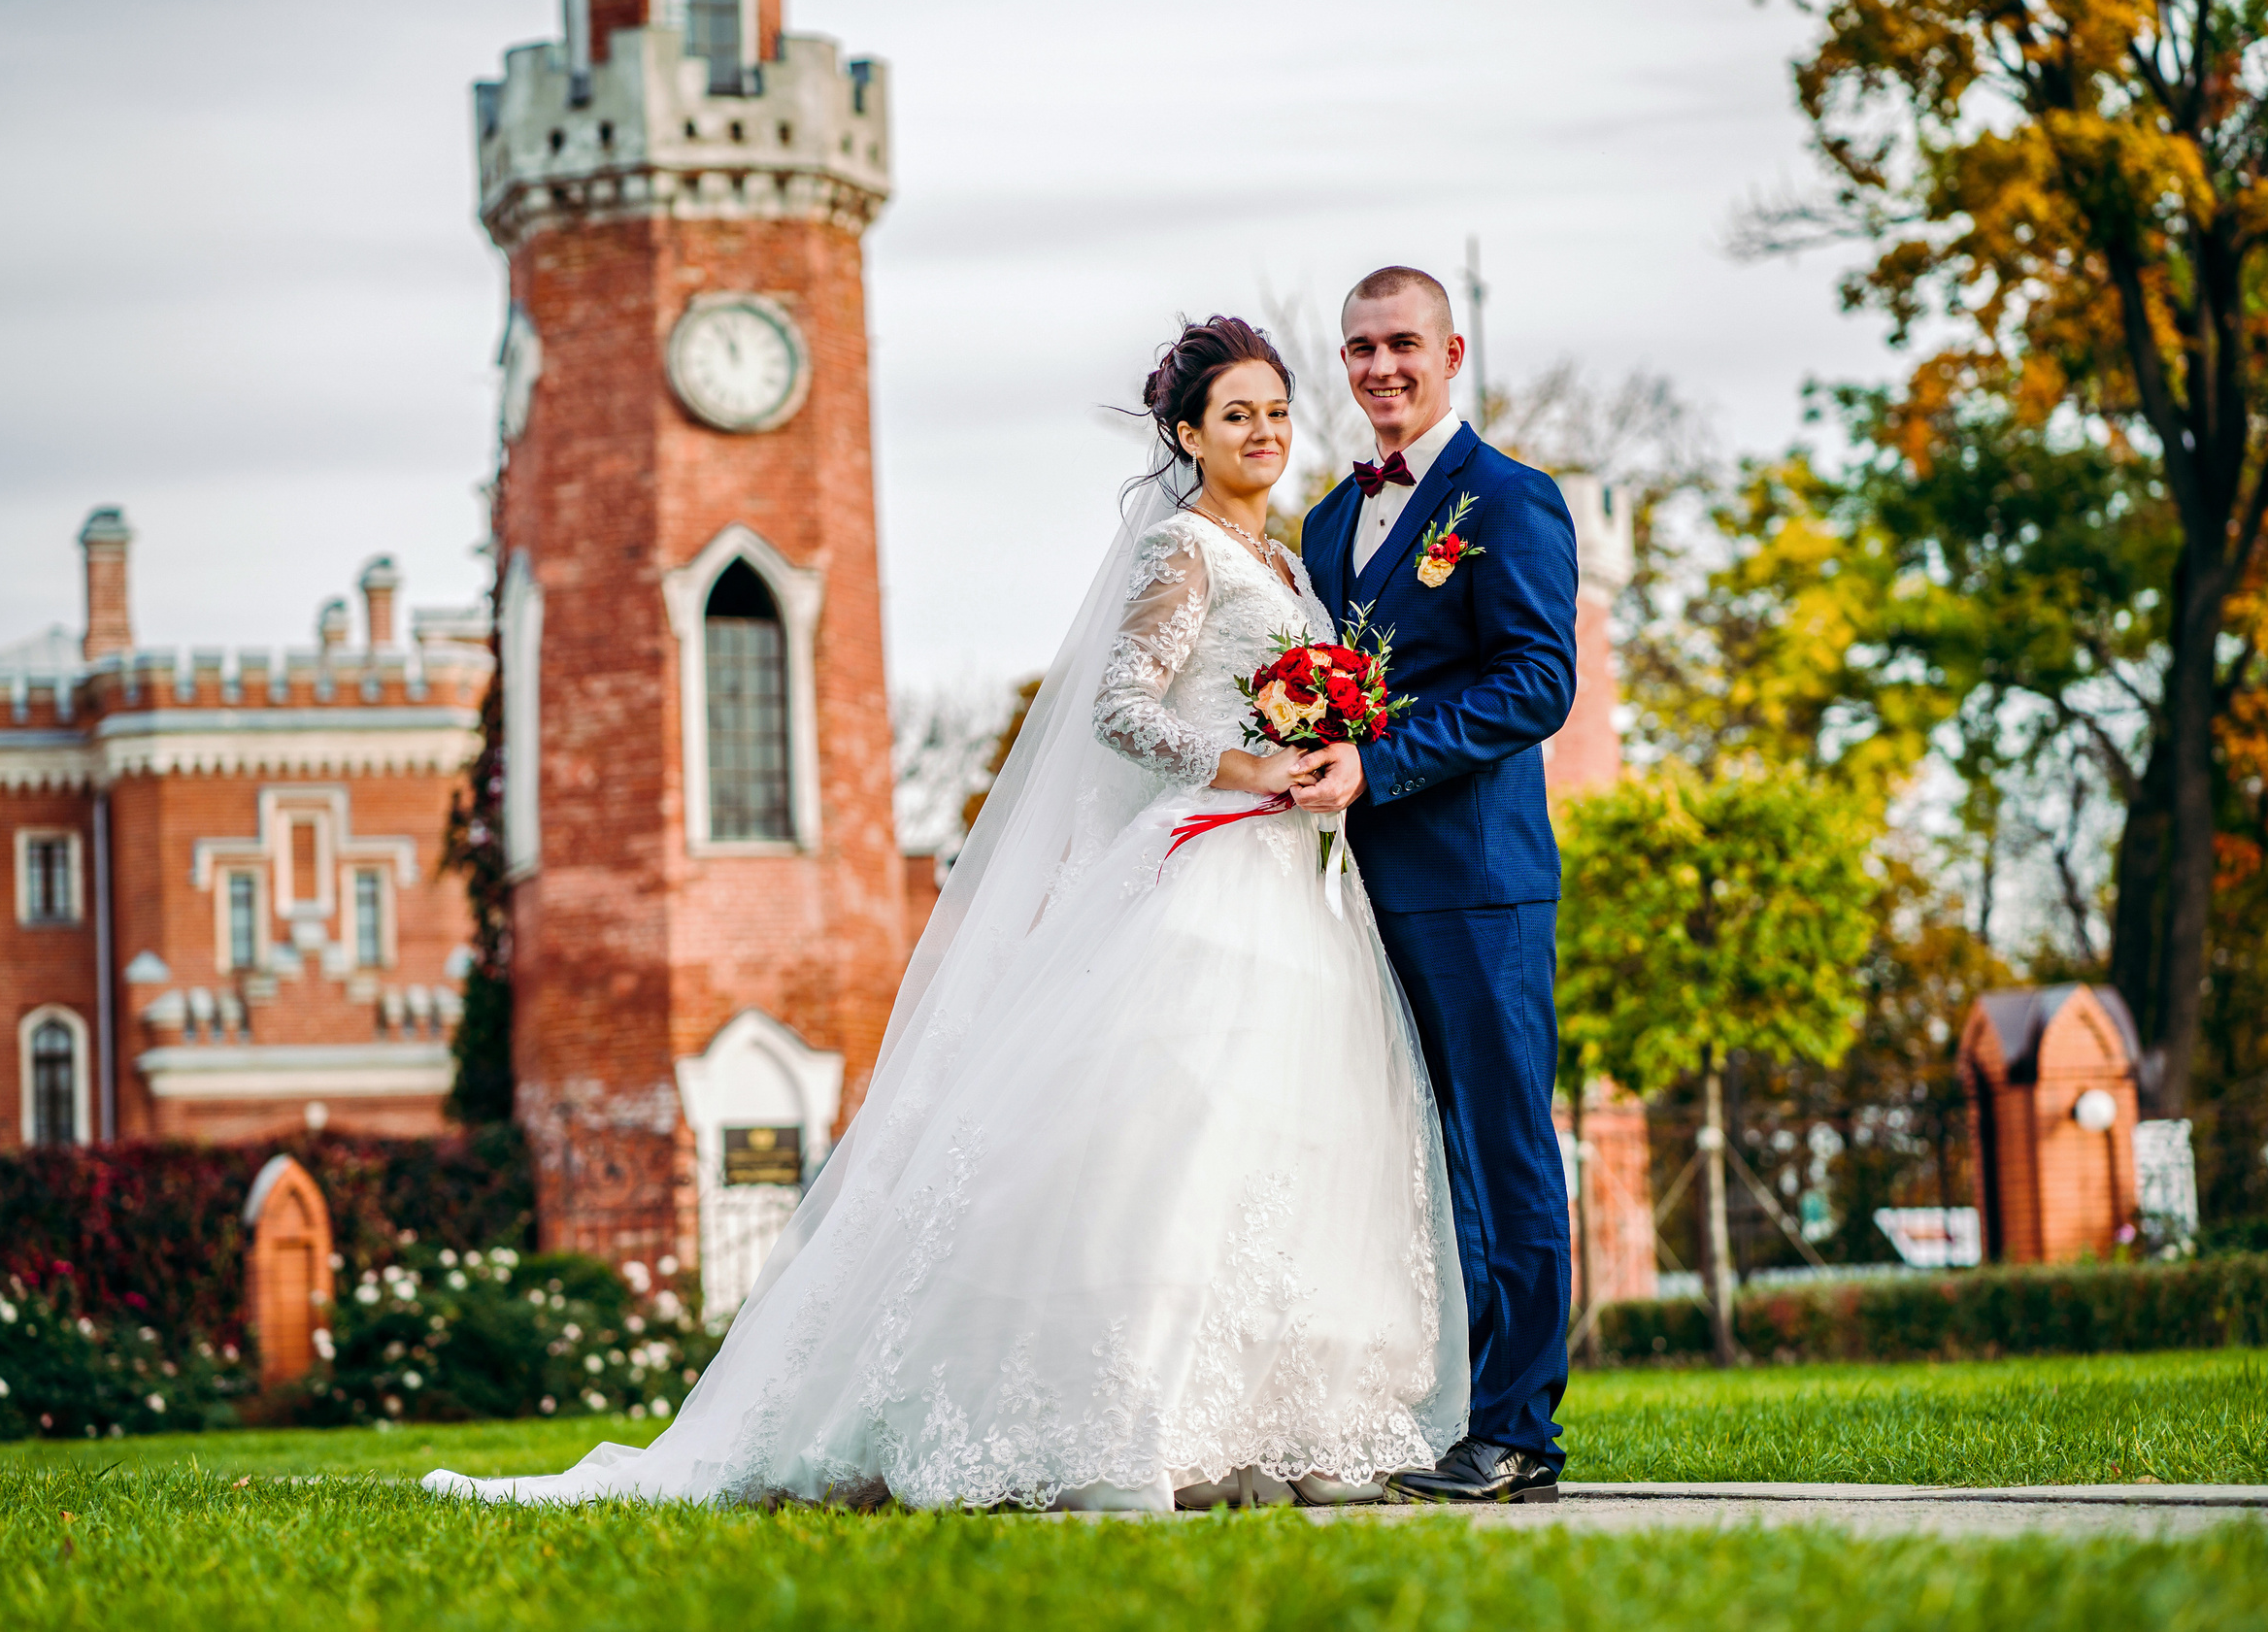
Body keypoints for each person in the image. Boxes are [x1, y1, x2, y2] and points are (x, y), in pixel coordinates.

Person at [423, 317, 1467, 1512]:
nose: (1266, 433)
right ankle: (1119, 1424)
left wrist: (1324, 751)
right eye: (1237, 414)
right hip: (1209, 870)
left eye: (1278, 411)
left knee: (1297, 1139)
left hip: (1303, 884)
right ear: (1187, 434)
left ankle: (1277, 1432)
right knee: (1174, 1134)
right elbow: (1122, 711)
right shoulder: (1182, 550)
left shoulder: (1289, 569)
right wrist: (1248, 768)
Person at [1288, 266, 1580, 1504]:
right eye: (1359, 350)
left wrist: (1379, 764)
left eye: (1402, 344)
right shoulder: (1319, 525)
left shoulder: (1511, 501)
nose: (1380, 369)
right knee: (1403, 1156)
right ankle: (1439, 1415)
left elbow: (1536, 682)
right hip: (1352, 893)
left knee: (1500, 1150)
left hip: (1478, 886)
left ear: (1452, 352)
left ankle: (1518, 1433)